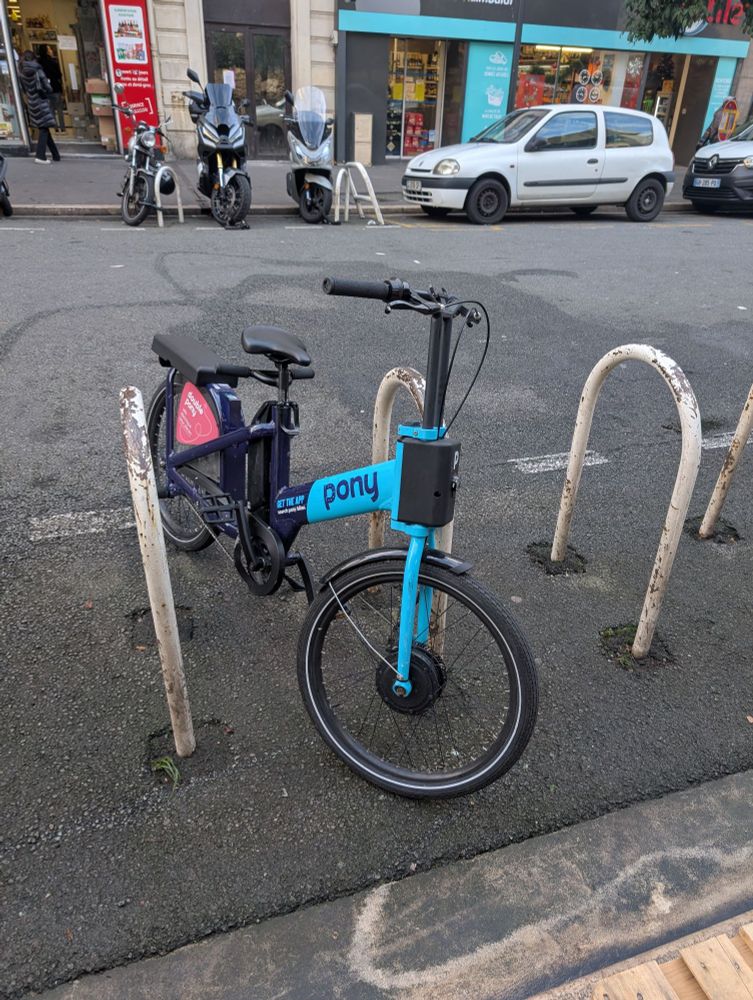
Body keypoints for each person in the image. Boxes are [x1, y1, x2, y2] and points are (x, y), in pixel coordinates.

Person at [18, 50, 60, 163]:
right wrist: (49, 86)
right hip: (41, 100)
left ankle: (56, 155)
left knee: (43, 126)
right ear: (33, 58)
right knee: (44, 128)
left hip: (32, 101)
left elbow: (23, 89)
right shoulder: (37, 69)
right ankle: (40, 156)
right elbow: (47, 87)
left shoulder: (21, 71)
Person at [38, 46, 65, 132]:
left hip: (45, 89)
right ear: (47, 51)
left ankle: (55, 128)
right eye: (49, 49)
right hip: (55, 88)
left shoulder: (39, 63)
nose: (51, 50)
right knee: (59, 109)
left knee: (51, 109)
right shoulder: (53, 62)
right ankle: (63, 127)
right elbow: (59, 75)